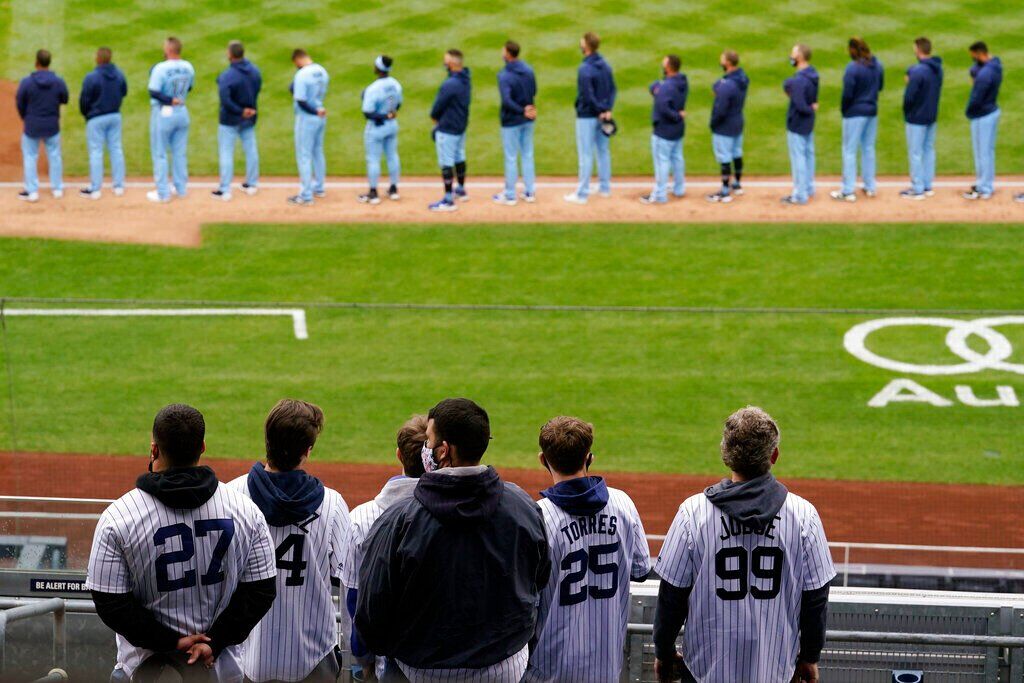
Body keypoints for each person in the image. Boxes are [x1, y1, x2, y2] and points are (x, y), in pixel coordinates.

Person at [355, 398, 551, 683]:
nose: (425, 448)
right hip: (504, 670)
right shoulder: (524, 506)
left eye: (429, 440)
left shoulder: (399, 519)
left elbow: (371, 614)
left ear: (444, 451)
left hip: (417, 673)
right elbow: (539, 579)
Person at [85, 404, 277, 682]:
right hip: (222, 671)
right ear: (202, 447)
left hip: (140, 670)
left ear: (154, 450)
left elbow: (111, 603)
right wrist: (213, 641)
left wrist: (171, 642)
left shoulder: (118, 517)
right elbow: (260, 591)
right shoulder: (245, 510)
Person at [653, 407, 835, 683]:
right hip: (775, 670)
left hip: (705, 671)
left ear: (726, 456)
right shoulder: (803, 515)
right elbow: (815, 598)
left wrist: (664, 653)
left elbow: (671, 596)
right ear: (773, 456)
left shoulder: (693, 513)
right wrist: (810, 657)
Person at [229, 399, 351, 683]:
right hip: (312, 657)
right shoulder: (332, 504)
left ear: (267, 440)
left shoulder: (231, 497)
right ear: (307, 451)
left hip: (246, 657)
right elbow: (348, 580)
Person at [523, 417, 651, 683]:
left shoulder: (538, 517)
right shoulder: (623, 503)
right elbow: (640, 570)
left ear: (542, 460)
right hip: (606, 668)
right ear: (589, 458)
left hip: (547, 670)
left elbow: (524, 598)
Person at [342, 415, 427, 682]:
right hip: (440, 656)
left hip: (385, 663)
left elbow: (354, 599)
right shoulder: (449, 515)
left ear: (399, 455)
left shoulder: (361, 517)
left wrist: (361, 661)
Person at [564, 32, 616, 205]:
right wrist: (607, 109)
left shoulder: (585, 68)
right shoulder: (605, 65)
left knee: (585, 154)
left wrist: (600, 109)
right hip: (603, 116)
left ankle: (582, 194)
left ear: (586, 46)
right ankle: (604, 188)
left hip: (587, 115)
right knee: (603, 151)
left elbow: (587, 95)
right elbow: (613, 89)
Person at [831, 37, 884, 202]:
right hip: (871, 111)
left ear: (853, 50)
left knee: (849, 151)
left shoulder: (852, 68)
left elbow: (847, 93)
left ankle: (848, 191)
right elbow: (880, 87)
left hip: (854, 113)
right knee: (868, 149)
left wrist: (845, 110)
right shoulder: (878, 65)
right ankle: (870, 187)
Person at [146, 37, 195, 204]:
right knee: (179, 153)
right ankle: (181, 189)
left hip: (164, 114)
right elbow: (189, 87)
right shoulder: (188, 66)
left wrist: (169, 99)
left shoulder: (160, 68)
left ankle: (163, 193)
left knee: (160, 153)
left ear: (168, 50)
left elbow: (153, 92)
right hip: (182, 112)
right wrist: (176, 99)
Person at [15, 49, 68, 203]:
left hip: (32, 126)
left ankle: (32, 192)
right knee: (55, 156)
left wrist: (26, 117)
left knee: (30, 157)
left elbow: (20, 102)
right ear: (48, 63)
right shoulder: (58, 81)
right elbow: (64, 98)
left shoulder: (27, 82)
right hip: (52, 125)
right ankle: (57, 189)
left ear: (36, 63)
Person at [213, 40, 262, 202]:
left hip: (230, 119)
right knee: (251, 149)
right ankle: (252, 184)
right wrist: (248, 110)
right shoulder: (255, 71)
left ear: (230, 54)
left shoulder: (228, 76)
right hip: (250, 117)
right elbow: (257, 89)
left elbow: (225, 100)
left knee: (226, 152)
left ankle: (225, 190)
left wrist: (240, 111)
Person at [78, 46, 127, 200]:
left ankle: (96, 189)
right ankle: (118, 186)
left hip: (96, 118)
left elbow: (84, 100)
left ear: (98, 58)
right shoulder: (119, 74)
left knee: (96, 152)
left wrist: (88, 115)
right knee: (116, 149)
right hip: (114, 116)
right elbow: (124, 91)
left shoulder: (91, 77)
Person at [493, 40, 537, 206]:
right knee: (527, 154)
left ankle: (510, 195)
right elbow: (534, 91)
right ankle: (529, 192)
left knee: (511, 157)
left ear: (508, 54)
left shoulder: (504, 75)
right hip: (529, 118)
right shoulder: (529, 70)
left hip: (511, 120)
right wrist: (527, 108)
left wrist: (521, 110)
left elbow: (506, 100)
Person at [428, 49, 471, 212]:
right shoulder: (466, 79)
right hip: (461, 126)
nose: (444, 63)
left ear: (452, 63)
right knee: (460, 156)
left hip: (448, 128)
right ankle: (460, 189)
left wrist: (435, 120)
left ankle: (448, 200)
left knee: (446, 163)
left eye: (446, 61)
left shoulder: (450, 84)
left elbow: (437, 108)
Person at [640, 55, 687, 205]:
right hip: (678, 130)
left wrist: (676, 116)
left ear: (668, 67)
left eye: (664, 63)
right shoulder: (683, 81)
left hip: (664, 130)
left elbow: (663, 108)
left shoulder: (666, 87)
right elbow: (653, 86)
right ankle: (679, 189)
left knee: (662, 161)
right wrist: (679, 116)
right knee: (677, 158)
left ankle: (659, 195)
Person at [901, 38, 943, 200]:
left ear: (918, 50)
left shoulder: (917, 72)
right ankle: (927, 186)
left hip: (916, 117)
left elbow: (909, 97)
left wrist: (907, 112)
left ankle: (917, 189)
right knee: (928, 150)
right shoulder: (938, 69)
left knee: (916, 152)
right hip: (931, 115)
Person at [359, 55, 403, 205]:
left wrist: (383, 115)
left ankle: (373, 193)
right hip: (392, 125)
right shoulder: (396, 84)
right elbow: (398, 104)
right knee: (392, 156)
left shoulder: (373, 88)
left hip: (376, 128)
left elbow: (367, 112)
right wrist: (389, 114)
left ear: (378, 68)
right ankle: (394, 189)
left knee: (373, 159)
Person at [706, 50, 749, 203]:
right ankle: (737, 185)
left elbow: (720, 109)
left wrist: (713, 123)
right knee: (737, 153)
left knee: (725, 158)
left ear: (728, 63)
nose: (720, 62)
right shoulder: (742, 78)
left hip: (725, 126)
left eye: (722, 60)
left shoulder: (727, 86)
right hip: (738, 121)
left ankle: (725, 192)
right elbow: (718, 85)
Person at [288, 49, 329, 206]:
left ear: (297, 60)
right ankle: (319, 188)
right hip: (320, 115)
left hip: (307, 118)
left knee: (304, 156)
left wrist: (314, 111)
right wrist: (318, 110)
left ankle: (306, 196)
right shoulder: (322, 71)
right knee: (318, 151)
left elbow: (301, 101)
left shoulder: (301, 75)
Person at [963, 41, 1001, 201]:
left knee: (982, 153)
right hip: (992, 111)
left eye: (973, 56)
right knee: (988, 152)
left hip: (982, 115)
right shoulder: (995, 65)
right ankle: (986, 183)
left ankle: (983, 188)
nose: (972, 59)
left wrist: (969, 112)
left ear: (979, 53)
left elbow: (976, 98)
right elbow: (975, 69)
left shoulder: (985, 75)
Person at [781, 44, 819, 206]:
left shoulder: (799, 81)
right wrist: (812, 109)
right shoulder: (813, 75)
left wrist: (808, 108)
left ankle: (799, 195)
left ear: (800, 57)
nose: (791, 56)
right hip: (809, 123)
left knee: (799, 160)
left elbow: (800, 104)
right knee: (809, 155)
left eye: (794, 53)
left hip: (797, 123)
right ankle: (809, 188)